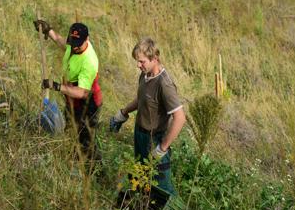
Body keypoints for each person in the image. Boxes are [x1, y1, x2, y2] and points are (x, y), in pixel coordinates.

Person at [110, 37, 186, 195]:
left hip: (154, 139)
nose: (138, 65)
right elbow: (142, 99)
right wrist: (123, 113)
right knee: (140, 176)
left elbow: (180, 118)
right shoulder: (144, 75)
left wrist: (162, 148)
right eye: (137, 61)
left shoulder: (164, 84)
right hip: (140, 135)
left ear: (155, 58)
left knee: (162, 187)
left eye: (142, 61)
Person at [34, 20, 102, 160]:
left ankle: (94, 170)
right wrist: (49, 31)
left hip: (87, 104)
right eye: (73, 43)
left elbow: (82, 92)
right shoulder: (74, 44)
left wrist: (57, 86)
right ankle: (73, 158)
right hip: (72, 99)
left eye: (78, 45)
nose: (74, 48)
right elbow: (63, 43)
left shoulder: (89, 61)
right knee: (71, 129)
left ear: (87, 39)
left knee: (85, 139)